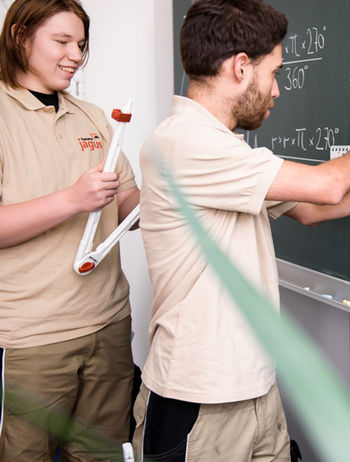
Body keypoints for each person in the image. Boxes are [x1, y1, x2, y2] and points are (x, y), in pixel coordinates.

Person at [132, 0, 350, 460]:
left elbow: (311, 209)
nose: (277, 91)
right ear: (240, 67)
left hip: (255, 387)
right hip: (199, 400)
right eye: (275, 73)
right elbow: (329, 186)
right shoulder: (184, 144)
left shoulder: (222, 149)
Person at [0, 0, 140, 460]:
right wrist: (70, 201)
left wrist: (173, 199)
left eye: (81, 44)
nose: (76, 55)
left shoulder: (95, 117)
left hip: (110, 322)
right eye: (62, 41)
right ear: (20, 36)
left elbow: (126, 203)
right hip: (32, 339)